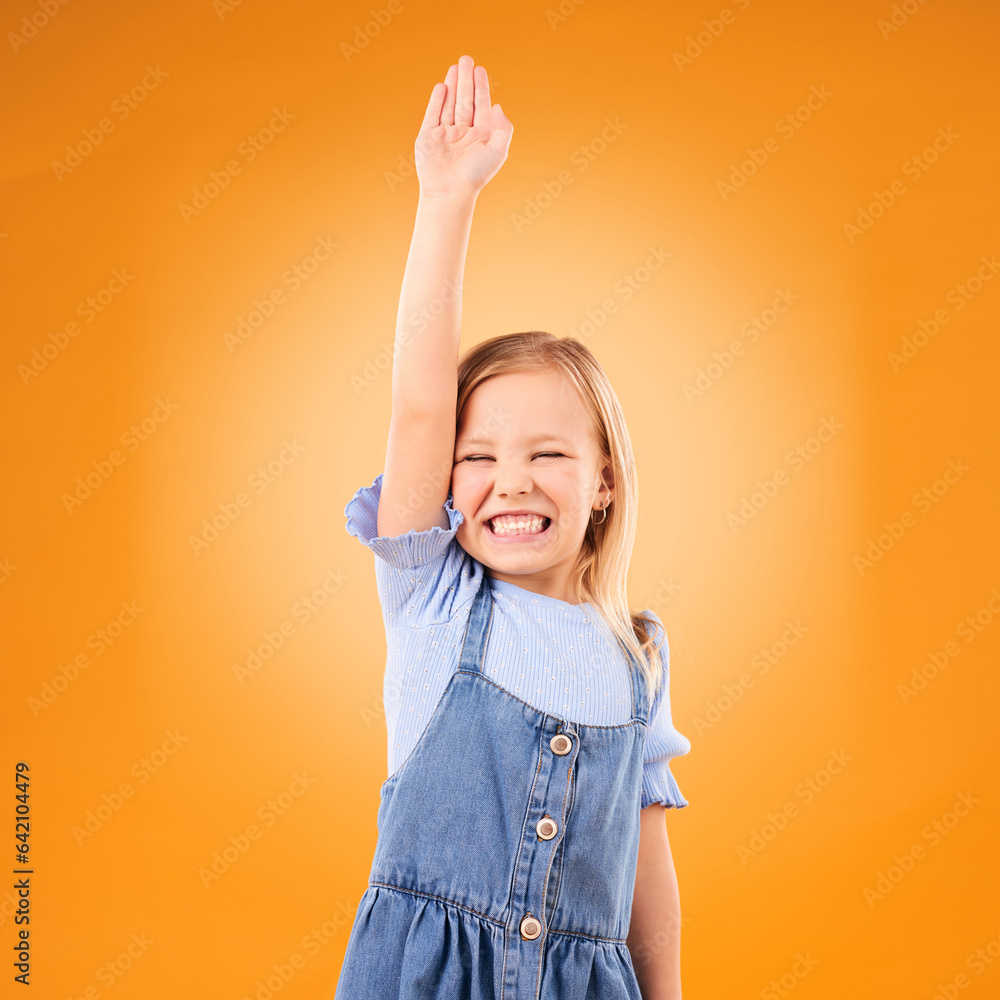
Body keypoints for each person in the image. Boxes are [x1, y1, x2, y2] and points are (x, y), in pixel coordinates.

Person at [335, 54, 691, 1000]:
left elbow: (648, 876)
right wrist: (446, 199)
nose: (510, 481)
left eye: (549, 455)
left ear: (605, 482)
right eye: (479, 455)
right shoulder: (433, 595)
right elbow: (419, 406)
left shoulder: (639, 656)